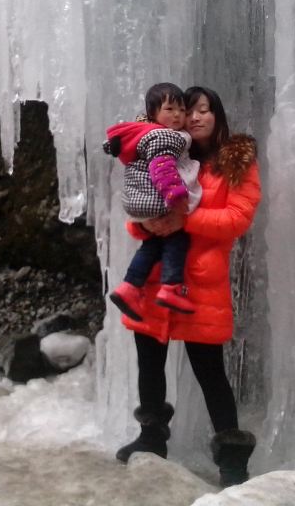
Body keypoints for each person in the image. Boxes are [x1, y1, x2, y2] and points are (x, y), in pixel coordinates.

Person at [114, 86, 261, 488]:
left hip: (201, 284)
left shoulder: (236, 163)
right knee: (149, 361)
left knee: (210, 372)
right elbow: (135, 212)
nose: (195, 117)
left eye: (204, 110)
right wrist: (145, 224)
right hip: (155, 279)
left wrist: (185, 220)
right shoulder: (164, 152)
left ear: (218, 116)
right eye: (189, 110)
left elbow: (237, 218)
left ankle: (232, 460)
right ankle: (152, 438)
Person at [104, 83, 203, 316]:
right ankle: (171, 287)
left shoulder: (143, 135)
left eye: (181, 109)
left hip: (138, 202)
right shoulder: (162, 136)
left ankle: (129, 286)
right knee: (177, 241)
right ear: (153, 114)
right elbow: (162, 167)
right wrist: (176, 197)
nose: (178, 114)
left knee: (153, 245)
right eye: (169, 109)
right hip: (155, 200)